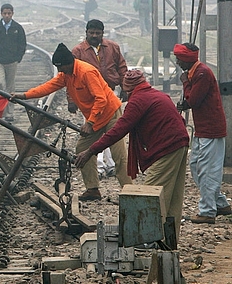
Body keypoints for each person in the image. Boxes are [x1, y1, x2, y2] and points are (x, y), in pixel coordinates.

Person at [12, 43, 128, 201]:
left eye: (61, 68)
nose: (59, 71)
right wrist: (24, 96)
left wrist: (90, 122)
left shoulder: (86, 72)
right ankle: (93, 189)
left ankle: (129, 190)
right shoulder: (65, 74)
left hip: (110, 114)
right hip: (95, 118)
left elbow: (101, 99)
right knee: (83, 150)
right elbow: (48, 87)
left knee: (118, 155)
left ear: (69, 63)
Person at [75, 70, 189, 227]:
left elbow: (117, 131)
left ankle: (145, 237)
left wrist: (90, 151)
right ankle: (168, 241)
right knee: (172, 197)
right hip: (180, 143)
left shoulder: (137, 102)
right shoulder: (157, 94)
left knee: (150, 194)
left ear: (127, 88)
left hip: (167, 148)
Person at [175, 43, 232, 224]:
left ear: (186, 59)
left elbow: (194, 99)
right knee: (196, 166)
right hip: (203, 129)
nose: (177, 61)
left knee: (208, 170)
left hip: (211, 130)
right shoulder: (196, 72)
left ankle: (207, 211)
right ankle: (220, 203)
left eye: (179, 59)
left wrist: (184, 82)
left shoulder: (201, 73)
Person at [71, 19, 129, 179]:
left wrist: (125, 87)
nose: (94, 35)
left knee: (113, 134)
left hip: (110, 95)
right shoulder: (78, 51)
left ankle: (111, 166)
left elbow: (122, 67)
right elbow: (70, 76)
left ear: (102, 33)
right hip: (90, 100)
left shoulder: (112, 47)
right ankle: (99, 167)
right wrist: (71, 99)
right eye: (91, 33)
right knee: (92, 132)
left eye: (97, 33)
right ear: (86, 33)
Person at [0, 3, 27, 121]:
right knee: (0, 84)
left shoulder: (17, 28)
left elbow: (22, 44)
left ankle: (9, 113)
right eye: (5, 13)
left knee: (10, 87)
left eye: (9, 13)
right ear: (1, 14)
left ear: (12, 14)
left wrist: (18, 56)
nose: (7, 16)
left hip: (12, 61)